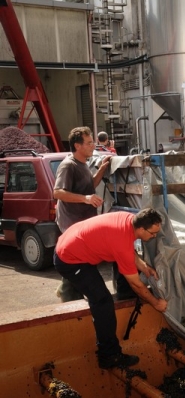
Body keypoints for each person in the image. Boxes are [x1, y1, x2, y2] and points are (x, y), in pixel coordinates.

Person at [53, 208, 168, 369]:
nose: (154, 236)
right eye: (152, 233)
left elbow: (128, 244)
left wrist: (143, 266)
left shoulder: (130, 220)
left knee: (98, 293)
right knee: (102, 301)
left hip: (75, 243)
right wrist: (156, 303)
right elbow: (136, 285)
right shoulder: (121, 243)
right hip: (69, 259)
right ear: (141, 229)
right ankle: (109, 355)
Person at [54, 126, 113, 302]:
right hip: (71, 222)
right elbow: (57, 193)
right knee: (76, 259)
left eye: (92, 142)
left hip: (82, 221)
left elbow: (89, 187)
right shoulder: (68, 165)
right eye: (88, 143)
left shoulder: (83, 164)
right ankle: (67, 293)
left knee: (79, 259)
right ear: (77, 146)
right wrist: (86, 199)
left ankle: (68, 289)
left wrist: (102, 169)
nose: (93, 146)